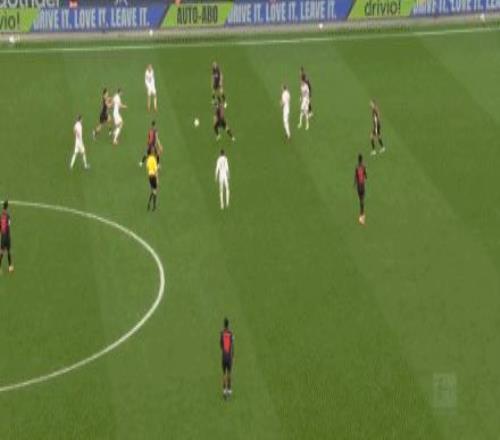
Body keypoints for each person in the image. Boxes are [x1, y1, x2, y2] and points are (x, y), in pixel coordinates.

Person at [220, 317, 234, 399]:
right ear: (228, 324)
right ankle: (229, 390)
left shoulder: (222, 333)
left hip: (224, 357)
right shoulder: (231, 333)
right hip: (229, 357)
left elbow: (221, 345)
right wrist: (232, 355)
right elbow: (232, 345)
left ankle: (224, 391)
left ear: (224, 324)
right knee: (229, 373)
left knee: (224, 374)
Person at [0, 200, 13, 273]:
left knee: (2, 252)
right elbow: (9, 225)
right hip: (7, 236)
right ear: (7, 207)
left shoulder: (1, 216)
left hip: (3, 236)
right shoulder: (8, 216)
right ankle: (10, 267)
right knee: (8, 251)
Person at [354, 154, 367, 225]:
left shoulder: (356, 167)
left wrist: (354, 184)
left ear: (358, 159)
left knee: (360, 199)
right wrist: (365, 177)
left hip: (359, 186)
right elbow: (365, 175)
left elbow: (355, 176)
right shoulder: (363, 166)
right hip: (362, 185)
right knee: (362, 199)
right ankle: (362, 215)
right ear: (362, 159)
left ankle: (362, 215)